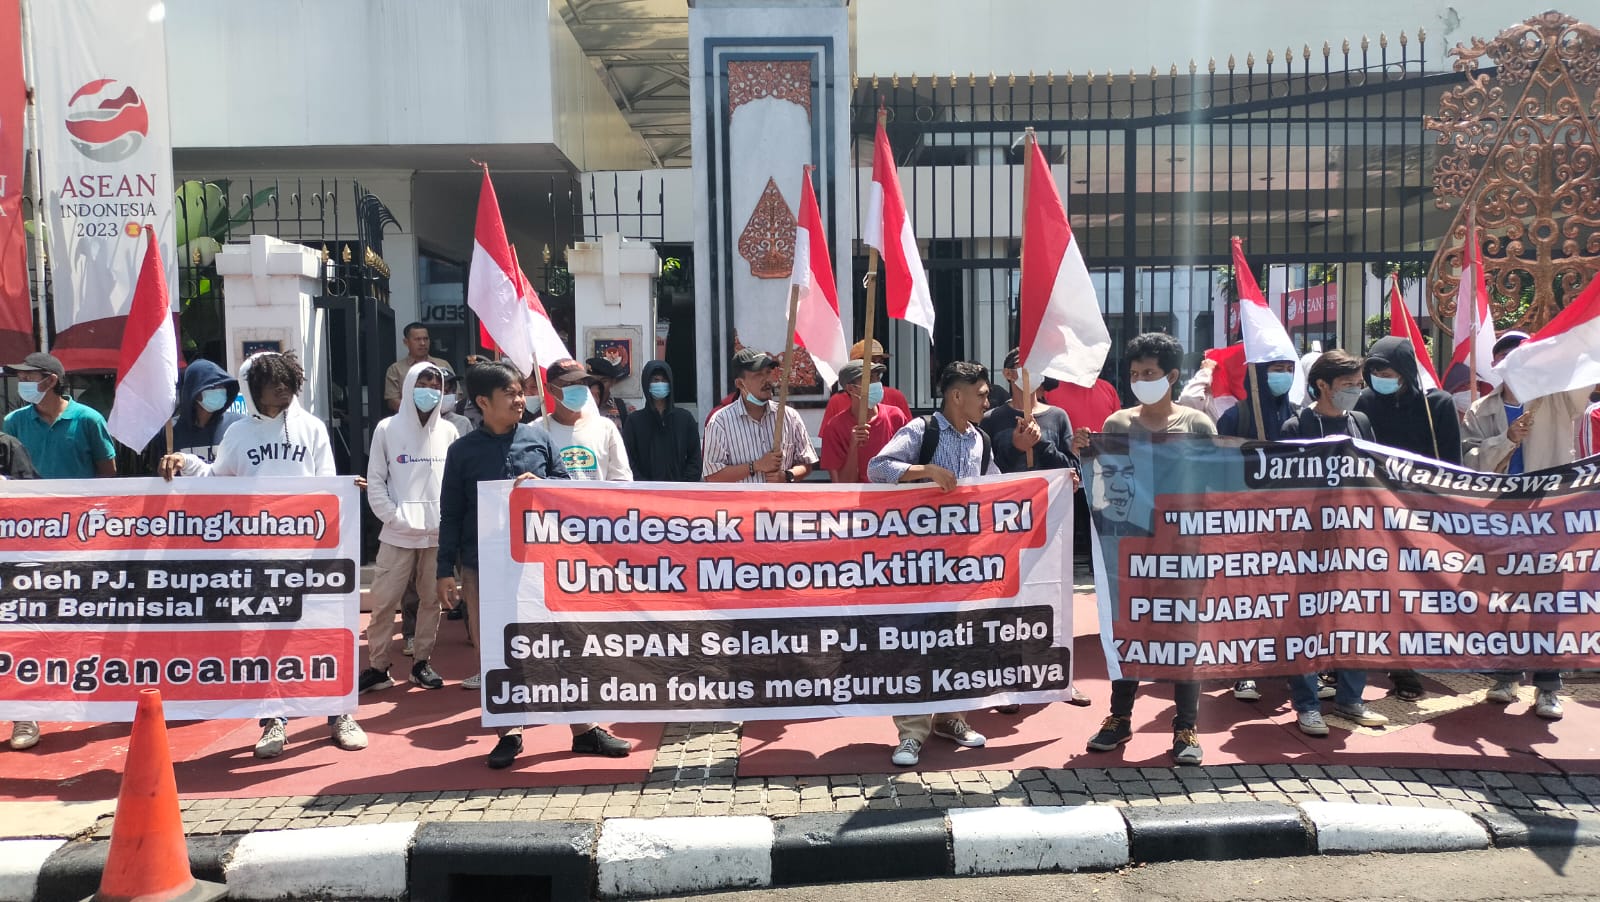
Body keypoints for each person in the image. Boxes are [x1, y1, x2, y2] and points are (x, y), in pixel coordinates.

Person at [159, 351, 368, 758]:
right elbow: (217, 481)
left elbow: (325, 483)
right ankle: (274, 719)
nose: (283, 387)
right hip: (258, 555)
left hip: (310, 552)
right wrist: (185, 461)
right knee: (267, 639)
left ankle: (339, 713)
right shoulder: (238, 434)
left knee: (324, 633)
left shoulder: (311, 427)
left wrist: (344, 489)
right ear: (253, 388)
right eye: (273, 381)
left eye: (288, 380)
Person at [435, 362, 631, 769]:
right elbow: (451, 514)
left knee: (564, 643)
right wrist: (444, 571)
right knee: (498, 649)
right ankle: (509, 732)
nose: (519, 400)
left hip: (541, 564)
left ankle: (585, 729)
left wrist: (541, 487)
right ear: (483, 402)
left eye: (519, 392)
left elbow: (565, 491)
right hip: (482, 567)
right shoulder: (462, 452)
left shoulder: (539, 439)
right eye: (508, 393)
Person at [1071, 332, 1216, 766]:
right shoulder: (1117, 425)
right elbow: (1104, 485)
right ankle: (1119, 717)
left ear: (1171, 376)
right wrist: (1084, 453)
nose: (1140, 381)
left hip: (1185, 549)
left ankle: (1186, 725)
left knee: (1185, 636)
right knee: (1129, 631)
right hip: (1130, 550)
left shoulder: (1197, 425)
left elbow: (1217, 484)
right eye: (1134, 374)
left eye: (1148, 373)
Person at [868, 360, 998, 767]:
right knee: (916, 645)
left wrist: (1055, 484)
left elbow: (998, 486)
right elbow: (877, 468)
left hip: (964, 563)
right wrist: (925, 471)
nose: (987, 402)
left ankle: (952, 717)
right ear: (957, 396)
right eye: (981, 394)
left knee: (957, 641)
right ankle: (911, 733)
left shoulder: (981, 441)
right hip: (918, 563)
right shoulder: (921, 431)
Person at [1462, 331, 1591, 721]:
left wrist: (1571, 340)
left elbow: (1584, 374)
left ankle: (1548, 687)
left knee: (1547, 599)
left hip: (1549, 515)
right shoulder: (1480, 410)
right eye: (1509, 359)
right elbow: (1469, 462)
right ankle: (1506, 677)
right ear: (1498, 366)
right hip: (1502, 517)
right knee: (1505, 600)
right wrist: (1506, 439)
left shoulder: (1556, 398)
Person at [1277, 349, 1389, 735]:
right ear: (1322, 385)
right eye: (1347, 385)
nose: (1355, 391)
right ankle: (1307, 704)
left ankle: (1351, 698)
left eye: (1358, 384)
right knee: (1306, 621)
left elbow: (1374, 474)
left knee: (1355, 619)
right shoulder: (1297, 426)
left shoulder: (1361, 422)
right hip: (1308, 543)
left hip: (1354, 541)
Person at [980, 348, 1093, 709]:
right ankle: (1008, 678)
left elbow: (1070, 468)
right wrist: (1015, 447)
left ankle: (1058, 675)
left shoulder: (1058, 416)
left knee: (1052, 598)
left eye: (1038, 366)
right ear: (1008, 374)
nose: (1032, 373)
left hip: (1050, 522)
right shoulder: (992, 418)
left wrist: (1040, 443)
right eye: (1023, 367)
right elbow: (987, 469)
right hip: (1007, 525)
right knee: (1008, 599)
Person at [1356, 335, 1461, 701]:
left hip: (1422, 513)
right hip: (1376, 513)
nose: (1380, 379)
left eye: (1387, 372)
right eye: (1375, 372)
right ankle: (1399, 667)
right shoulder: (1364, 403)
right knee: (1384, 589)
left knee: (1415, 589)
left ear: (1404, 371)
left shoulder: (1438, 405)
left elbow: (1452, 465)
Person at [361, 363, 460, 696]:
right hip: (397, 535)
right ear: (408, 386)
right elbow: (375, 480)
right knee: (384, 603)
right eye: (423, 382)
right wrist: (393, 517)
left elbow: (455, 484)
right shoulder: (386, 428)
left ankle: (421, 663)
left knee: (431, 602)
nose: (430, 389)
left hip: (437, 535)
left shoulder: (449, 432)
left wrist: (448, 523)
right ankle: (378, 667)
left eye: (436, 384)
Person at [1215, 354, 1300, 702]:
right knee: (1247, 597)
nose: (1284, 375)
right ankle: (1244, 669)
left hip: (1290, 523)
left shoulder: (1298, 416)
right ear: (1257, 374)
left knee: (1286, 596)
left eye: (1289, 369)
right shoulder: (1235, 416)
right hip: (1245, 522)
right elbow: (1219, 469)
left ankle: (1288, 664)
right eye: (1277, 369)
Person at [702, 349, 817, 484]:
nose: (767, 380)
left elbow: (806, 463)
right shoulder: (720, 422)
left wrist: (787, 476)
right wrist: (755, 466)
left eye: (768, 372)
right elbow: (712, 476)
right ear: (740, 384)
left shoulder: (789, 416)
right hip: (743, 498)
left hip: (780, 498)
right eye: (758, 375)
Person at [3, 352, 116, 478]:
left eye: (28, 379)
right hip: (30, 492)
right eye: (20, 379)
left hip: (78, 492)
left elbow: (107, 471)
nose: (22, 384)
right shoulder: (14, 421)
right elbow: (8, 468)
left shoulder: (89, 419)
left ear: (51, 381)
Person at [0, 432, 39, 750]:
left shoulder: (7, 446)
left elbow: (33, 500)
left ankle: (24, 715)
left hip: (7, 561)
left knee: (11, 640)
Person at [540, 359, 633, 480]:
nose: (577, 388)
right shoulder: (537, 431)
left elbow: (621, 479)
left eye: (582, 383)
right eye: (569, 384)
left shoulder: (605, 428)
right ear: (551, 389)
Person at [821, 358, 910, 483]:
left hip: (891, 493)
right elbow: (843, 485)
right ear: (851, 389)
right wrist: (853, 447)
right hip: (857, 495)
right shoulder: (834, 428)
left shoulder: (896, 417)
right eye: (870, 379)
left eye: (877, 378)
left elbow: (909, 465)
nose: (876, 384)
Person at [622, 360, 702, 481]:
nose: (660, 384)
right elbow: (628, 460)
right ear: (646, 383)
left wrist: (682, 486)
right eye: (655, 380)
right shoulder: (634, 422)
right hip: (643, 490)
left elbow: (695, 460)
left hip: (680, 490)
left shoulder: (685, 419)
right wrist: (644, 486)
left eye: (664, 380)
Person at [820, 340, 913, 431]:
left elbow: (909, 435)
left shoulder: (896, 397)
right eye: (871, 360)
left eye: (880, 361)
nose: (875, 365)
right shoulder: (837, 401)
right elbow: (829, 436)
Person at [166, 359, 244, 464]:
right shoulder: (170, 431)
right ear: (194, 392)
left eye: (222, 386)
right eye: (213, 387)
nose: (219, 391)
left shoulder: (238, 425)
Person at [384, 323, 450, 413]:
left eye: (426, 339)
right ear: (406, 342)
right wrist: (419, 414)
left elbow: (456, 393)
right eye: (417, 339)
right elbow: (392, 401)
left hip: (441, 416)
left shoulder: (443, 365)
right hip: (408, 418)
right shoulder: (396, 369)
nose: (423, 343)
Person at [585, 356, 632, 428]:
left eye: (603, 381)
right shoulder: (577, 408)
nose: (598, 385)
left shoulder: (624, 408)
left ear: (613, 382)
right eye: (592, 381)